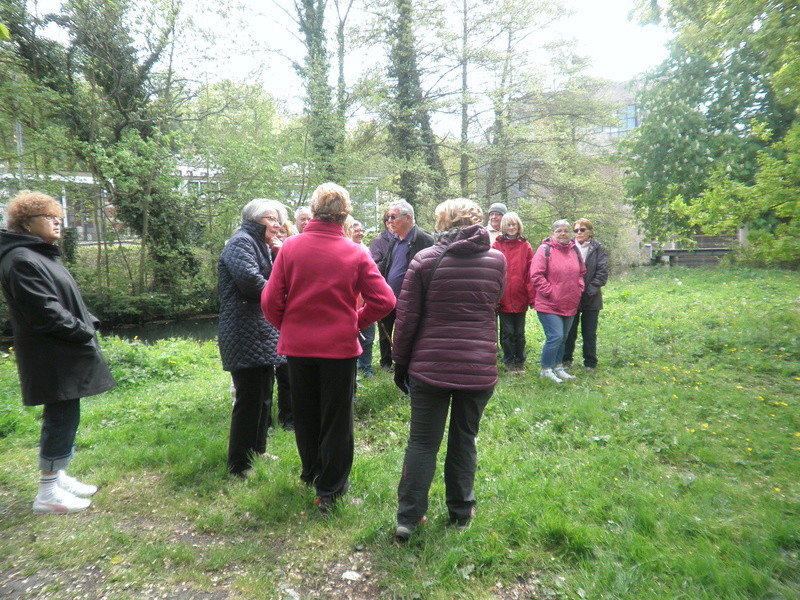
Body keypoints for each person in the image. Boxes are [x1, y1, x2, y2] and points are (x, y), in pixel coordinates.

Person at [261, 183, 395, 514]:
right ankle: (330, 491)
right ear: (345, 214)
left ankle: (311, 473)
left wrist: (290, 326)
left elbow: (269, 301)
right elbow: (385, 300)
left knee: (305, 413)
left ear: (314, 210)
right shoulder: (355, 252)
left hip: (298, 346)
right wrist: (356, 321)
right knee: (336, 419)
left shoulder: (290, 247)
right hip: (338, 348)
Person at [391, 198, 506, 542]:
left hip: (430, 366)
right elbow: (494, 302)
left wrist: (400, 363)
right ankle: (461, 513)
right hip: (478, 366)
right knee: (464, 439)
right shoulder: (497, 260)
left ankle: (408, 518)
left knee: (423, 443)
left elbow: (407, 318)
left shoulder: (425, 259)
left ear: (442, 223)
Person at [0, 191, 116, 513]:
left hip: (61, 351)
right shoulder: (22, 259)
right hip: (52, 353)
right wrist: (82, 332)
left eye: (58, 218)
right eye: (49, 217)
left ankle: (58, 474)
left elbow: (68, 299)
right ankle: (47, 493)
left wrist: (88, 321)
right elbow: (46, 313)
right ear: (26, 222)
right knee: (60, 416)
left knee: (66, 413)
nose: (57, 222)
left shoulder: (41, 254)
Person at [218, 198, 286, 476]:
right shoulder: (240, 243)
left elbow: (271, 278)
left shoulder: (262, 245)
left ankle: (257, 451)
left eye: (278, 219)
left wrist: (278, 254)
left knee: (264, 396)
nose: (277, 225)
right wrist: (283, 296)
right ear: (254, 220)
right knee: (248, 399)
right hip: (243, 333)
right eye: (271, 219)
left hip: (261, 332)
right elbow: (251, 283)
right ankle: (239, 464)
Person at [377, 200, 434, 372]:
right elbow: (387, 263)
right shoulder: (394, 239)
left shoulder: (424, 239)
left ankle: (409, 361)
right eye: (387, 218)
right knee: (385, 328)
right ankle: (386, 362)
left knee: (408, 331)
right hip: (389, 295)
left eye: (393, 217)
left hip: (411, 298)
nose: (389, 221)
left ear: (408, 217)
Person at [528, 219, 586, 383]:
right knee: (555, 335)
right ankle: (546, 369)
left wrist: (578, 289)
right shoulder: (544, 250)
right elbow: (536, 275)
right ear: (552, 233)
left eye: (566, 231)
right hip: (549, 303)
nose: (563, 234)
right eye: (559, 231)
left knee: (564, 337)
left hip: (570, 302)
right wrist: (551, 292)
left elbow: (581, 272)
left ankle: (558, 367)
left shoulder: (574, 250)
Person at [563, 218, 608, 371]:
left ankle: (590, 362)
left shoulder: (598, 248)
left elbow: (602, 272)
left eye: (582, 230)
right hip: (571, 297)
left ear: (590, 232)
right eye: (576, 230)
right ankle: (566, 360)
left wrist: (589, 290)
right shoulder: (567, 246)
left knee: (589, 332)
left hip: (592, 297)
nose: (579, 233)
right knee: (569, 332)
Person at [492, 211, 533, 372]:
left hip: (520, 295)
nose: (511, 227)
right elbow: (493, 272)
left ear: (518, 226)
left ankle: (520, 360)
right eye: (508, 225)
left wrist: (532, 296)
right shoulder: (496, 246)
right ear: (503, 227)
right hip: (503, 297)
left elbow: (531, 273)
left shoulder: (525, 246)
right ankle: (509, 361)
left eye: (514, 224)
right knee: (507, 332)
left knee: (519, 332)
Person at [348, 220, 375, 378]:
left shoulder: (366, 250)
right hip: (351, 305)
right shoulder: (346, 251)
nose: (360, 233)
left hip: (365, 302)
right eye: (356, 230)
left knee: (368, 338)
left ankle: (366, 368)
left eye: (362, 230)